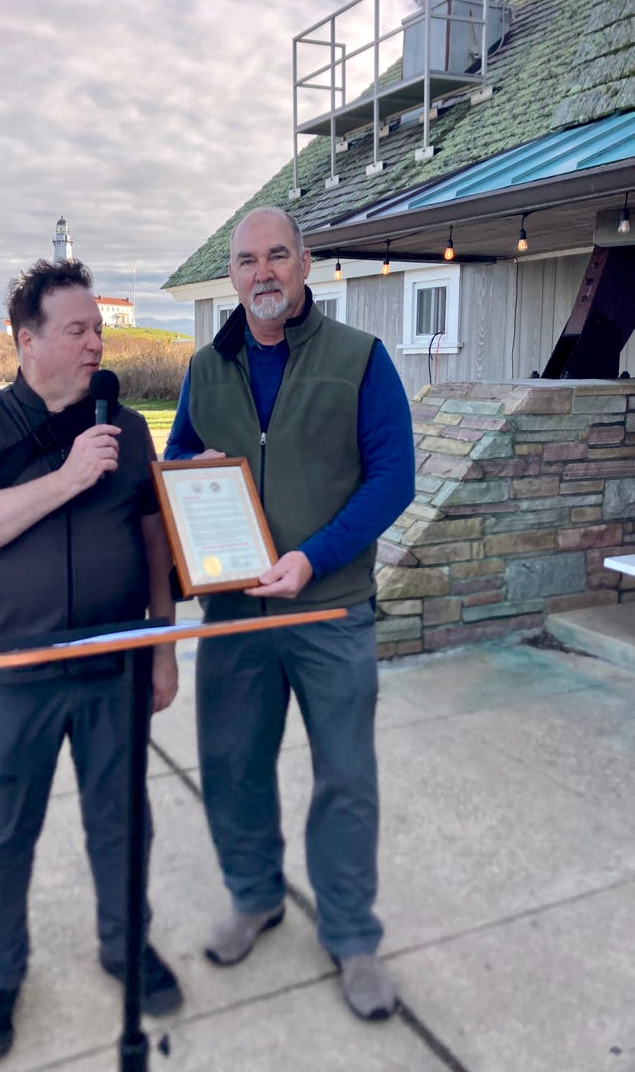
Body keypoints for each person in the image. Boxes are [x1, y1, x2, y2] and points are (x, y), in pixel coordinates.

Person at [0, 258, 182, 1063]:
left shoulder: (127, 427)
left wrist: (164, 645)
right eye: (77, 330)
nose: (95, 344)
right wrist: (69, 479)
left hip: (116, 669)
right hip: (15, 676)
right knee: (4, 838)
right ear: (27, 341)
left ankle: (125, 944)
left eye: (98, 329)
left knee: (124, 824)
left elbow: (153, 540)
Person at [165, 206, 415, 1021]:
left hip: (330, 611)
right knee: (232, 765)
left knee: (346, 777)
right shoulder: (206, 369)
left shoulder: (360, 359)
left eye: (278, 256)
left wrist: (314, 557)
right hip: (236, 614)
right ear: (232, 276)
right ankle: (255, 896)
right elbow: (176, 461)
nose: (262, 272)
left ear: (306, 265)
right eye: (247, 260)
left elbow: (393, 478)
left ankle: (351, 936)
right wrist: (191, 468)